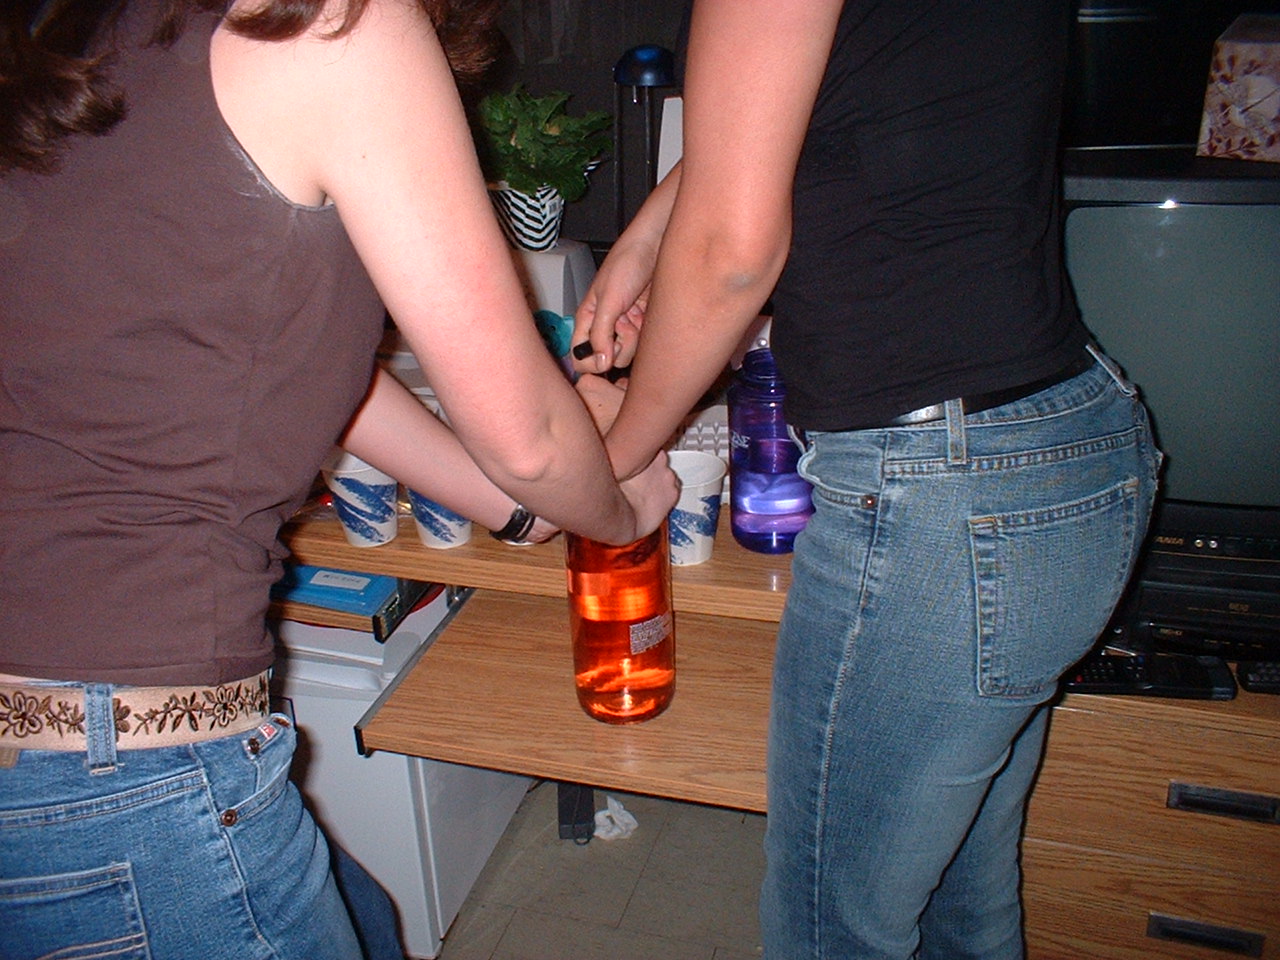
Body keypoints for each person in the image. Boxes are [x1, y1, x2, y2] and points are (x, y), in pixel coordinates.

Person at [0, 0, 677, 956]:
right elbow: (529, 438)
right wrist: (617, 511)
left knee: (365, 922)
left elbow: (273, 348)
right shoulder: (337, 22)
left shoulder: (70, 35)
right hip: (119, 760)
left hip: (57, 745)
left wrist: (521, 515)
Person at [572, 1, 1162, 957]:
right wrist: (646, 238)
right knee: (963, 907)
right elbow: (842, 89)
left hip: (947, 494)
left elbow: (731, 256)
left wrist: (624, 451)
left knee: (831, 930)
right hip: (1068, 443)